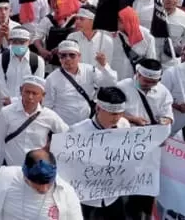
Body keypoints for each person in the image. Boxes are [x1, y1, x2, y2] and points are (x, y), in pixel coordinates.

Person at [70, 87, 131, 219]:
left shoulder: (124, 125)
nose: (117, 118)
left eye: (120, 113)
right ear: (98, 109)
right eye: (112, 114)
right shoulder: (77, 131)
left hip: (113, 196)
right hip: (86, 198)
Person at [0, 75, 68, 175]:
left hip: (38, 170)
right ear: (21, 90)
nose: (30, 97)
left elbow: (66, 134)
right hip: (11, 168)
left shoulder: (49, 116)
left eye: (34, 93)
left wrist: (49, 146)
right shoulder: (6, 112)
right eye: (27, 92)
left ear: (42, 95)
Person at [44, 40, 117, 125]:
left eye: (72, 55)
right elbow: (47, 106)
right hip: (64, 126)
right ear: (59, 58)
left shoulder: (89, 70)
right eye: (63, 55)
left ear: (79, 56)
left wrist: (104, 65)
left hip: (88, 124)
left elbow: (110, 83)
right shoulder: (51, 79)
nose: (67, 59)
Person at [117, 58, 174, 129]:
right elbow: (110, 113)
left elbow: (168, 114)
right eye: (146, 81)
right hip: (127, 131)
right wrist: (132, 119)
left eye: (154, 82)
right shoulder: (122, 87)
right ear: (138, 74)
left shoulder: (163, 91)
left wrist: (165, 120)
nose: (150, 84)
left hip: (153, 133)